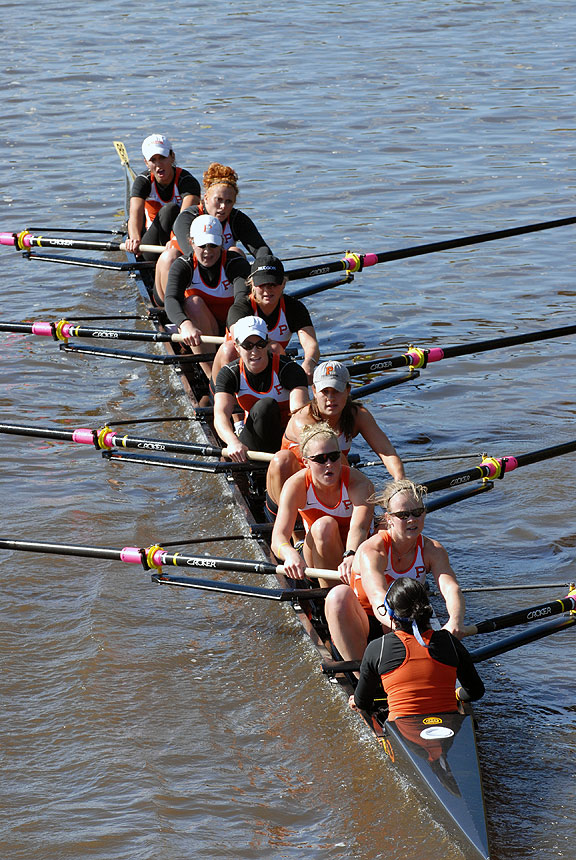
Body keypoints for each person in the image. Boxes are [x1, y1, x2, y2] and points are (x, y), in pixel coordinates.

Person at [324, 479, 466, 666]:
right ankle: (361, 677)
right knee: (338, 596)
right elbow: (378, 599)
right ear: (389, 518)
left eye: (417, 513)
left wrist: (455, 620)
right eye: (403, 515)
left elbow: (450, 588)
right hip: (366, 622)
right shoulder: (372, 550)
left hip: (404, 622)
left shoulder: (433, 550)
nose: (412, 520)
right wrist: (408, 629)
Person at [266, 360, 404, 517]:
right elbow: (331, 465)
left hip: (328, 482)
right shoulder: (302, 419)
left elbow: (386, 450)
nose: (330, 398)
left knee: (338, 464)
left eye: (337, 391)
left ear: (348, 390)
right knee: (282, 459)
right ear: (314, 391)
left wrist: (399, 482)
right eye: (325, 392)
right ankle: (294, 531)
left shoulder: (357, 415)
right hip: (293, 490)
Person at [349, 578, 484, 720]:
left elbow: (363, 702)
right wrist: (457, 694)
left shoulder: (378, 648)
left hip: (402, 729)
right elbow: (476, 692)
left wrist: (356, 701)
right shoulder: (449, 641)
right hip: (449, 724)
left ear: (390, 614)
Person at [271, 423, 375, 589]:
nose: (329, 464)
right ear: (306, 462)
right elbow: (278, 538)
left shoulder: (359, 483)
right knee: (324, 526)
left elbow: (360, 528)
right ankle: (331, 597)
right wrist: (289, 554)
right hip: (316, 552)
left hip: (355, 551)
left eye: (334, 456)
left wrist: (350, 555)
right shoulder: (296, 486)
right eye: (320, 459)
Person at [154, 162, 272, 300]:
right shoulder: (187, 218)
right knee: (170, 256)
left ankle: (239, 302)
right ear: (206, 199)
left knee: (236, 253)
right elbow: (194, 256)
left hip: (214, 282)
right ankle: (173, 309)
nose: (223, 207)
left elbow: (261, 249)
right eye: (219, 200)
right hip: (182, 282)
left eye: (229, 202)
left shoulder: (236, 219)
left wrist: (267, 271)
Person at [162, 214, 250, 379]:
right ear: (191, 242)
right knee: (193, 303)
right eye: (202, 245)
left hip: (231, 328)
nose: (208, 252)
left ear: (222, 242)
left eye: (213, 245)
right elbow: (171, 299)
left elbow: (241, 299)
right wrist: (184, 324)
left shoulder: (236, 264)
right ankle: (212, 378)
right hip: (199, 332)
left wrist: (233, 331)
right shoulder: (184, 266)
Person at [211, 254, 320, 384]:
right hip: (236, 372)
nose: (268, 290)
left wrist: (309, 362)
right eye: (262, 284)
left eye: (273, 283)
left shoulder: (294, 308)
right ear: (252, 284)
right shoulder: (240, 309)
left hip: (266, 370)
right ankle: (227, 396)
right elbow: (241, 340)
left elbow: (311, 343)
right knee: (230, 348)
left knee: (275, 351)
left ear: (284, 283)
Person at [213, 316, 309, 459]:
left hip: (287, 438)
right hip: (253, 442)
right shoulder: (229, 373)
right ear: (237, 347)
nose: (255, 351)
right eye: (247, 345)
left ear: (267, 343)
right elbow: (220, 415)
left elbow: (299, 412)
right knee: (265, 407)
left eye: (260, 344)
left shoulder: (290, 370)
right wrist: (232, 442)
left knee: (266, 406)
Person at [125, 134, 200, 260]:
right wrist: (134, 240)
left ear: (172, 157)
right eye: (153, 160)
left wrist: (175, 241)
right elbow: (134, 216)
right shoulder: (143, 182)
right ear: (146, 163)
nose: (158, 165)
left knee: (170, 210)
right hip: (150, 245)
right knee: (169, 210)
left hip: (180, 240)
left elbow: (184, 220)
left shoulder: (187, 182)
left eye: (163, 158)